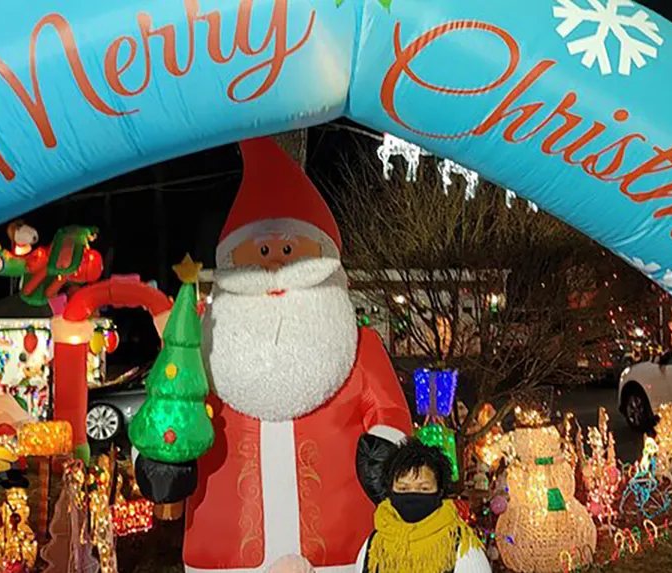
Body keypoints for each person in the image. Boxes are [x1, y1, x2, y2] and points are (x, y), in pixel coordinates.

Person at [134, 137, 413, 573]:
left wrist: (385, 452)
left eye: (291, 250)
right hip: (228, 553)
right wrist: (158, 458)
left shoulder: (359, 347)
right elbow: (167, 409)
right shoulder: (201, 344)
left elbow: (390, 414)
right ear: (233, 264)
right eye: (262, 251)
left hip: (342, 552)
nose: (276, 266)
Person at [355, 440, 491, 573]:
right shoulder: (374, 546)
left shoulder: (461, 547)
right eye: (403, 489)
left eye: (424, 489)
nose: (413, 495)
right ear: (390, 491)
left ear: (440, 491)